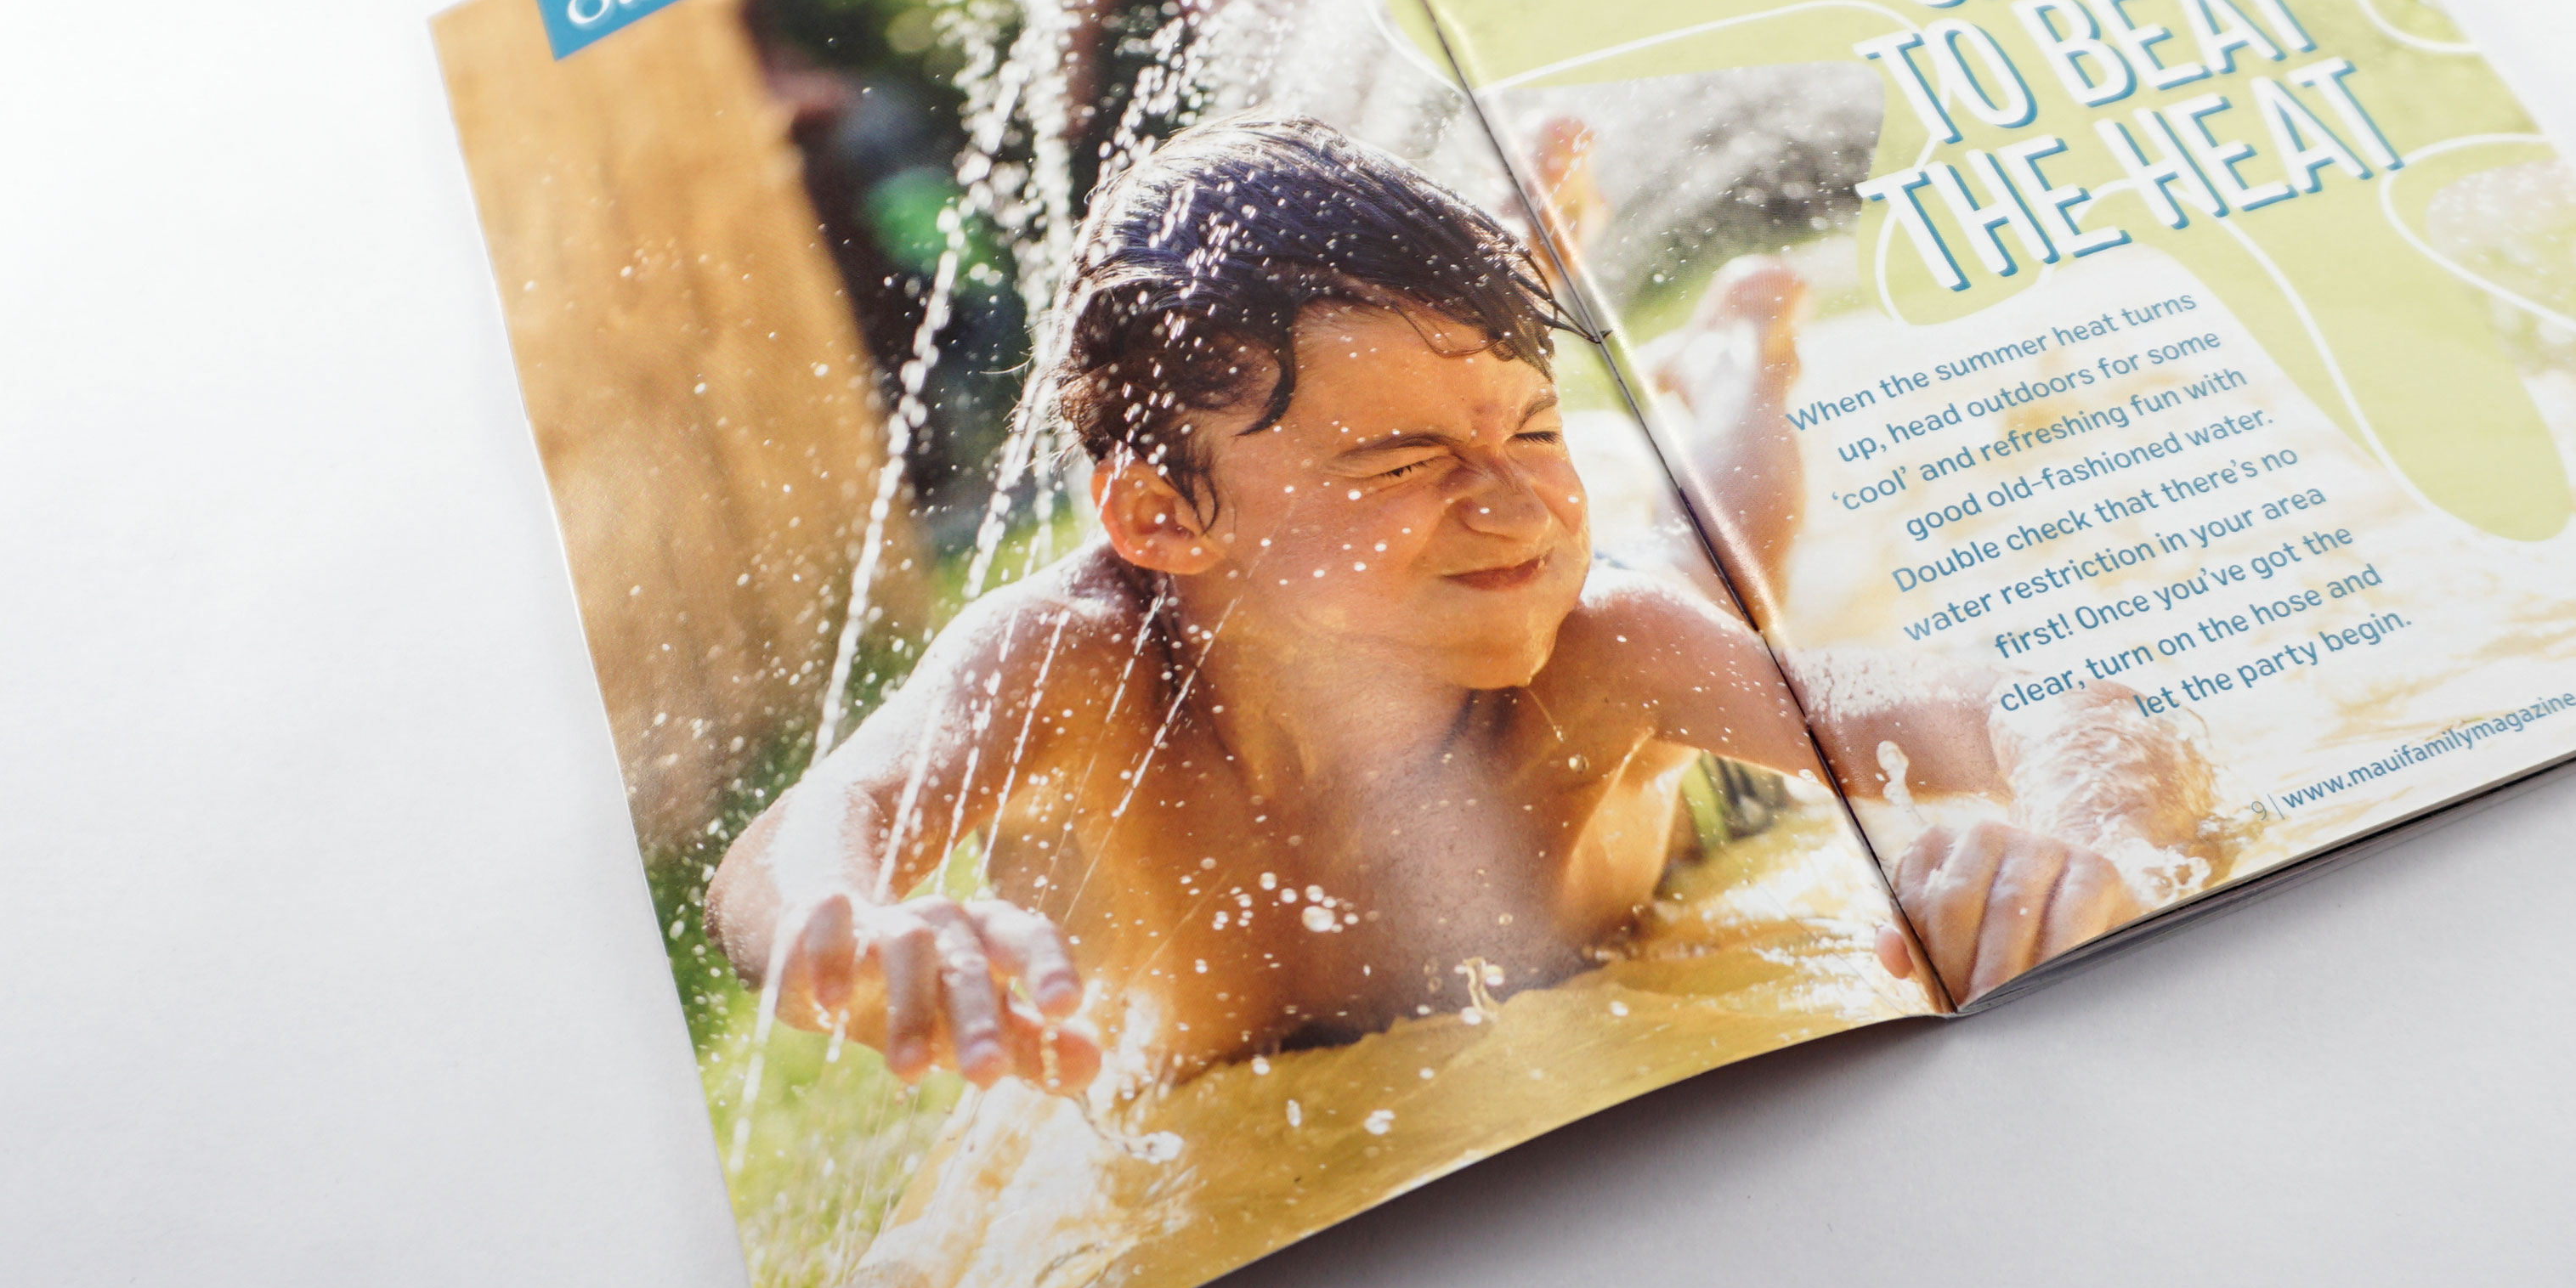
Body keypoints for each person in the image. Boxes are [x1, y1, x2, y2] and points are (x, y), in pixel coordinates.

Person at [708, 116, 2213, 1094]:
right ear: (1163, 514)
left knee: (1710, 557)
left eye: (1535, 430)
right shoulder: (1080, 664)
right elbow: (800, 838)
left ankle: (1734, 371)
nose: (1517, 505)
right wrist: (852, 924)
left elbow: (2062, 701)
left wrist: (2092, 842)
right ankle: (1491, 290)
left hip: (1638, 751)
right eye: (1402, 459)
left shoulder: (1598, 655)